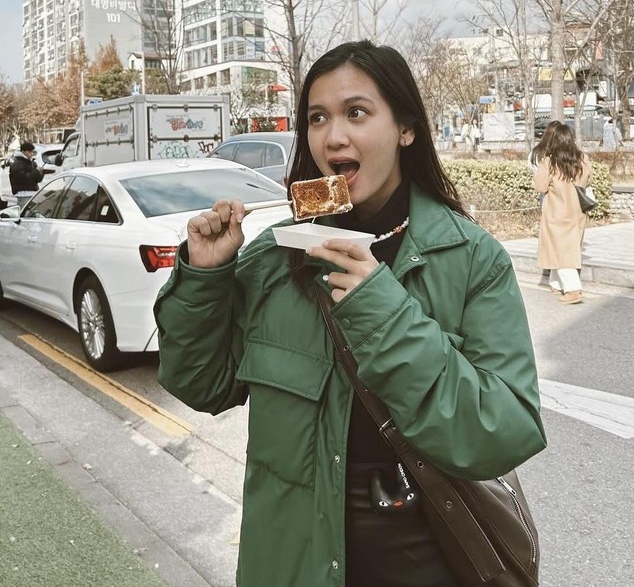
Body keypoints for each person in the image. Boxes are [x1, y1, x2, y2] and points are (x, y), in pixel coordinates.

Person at [155, 41, 546, 587]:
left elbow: (503, 433)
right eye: (317, 118)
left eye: (356, 113)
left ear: (405, 128)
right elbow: (199, 383)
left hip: (429, 559)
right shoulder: (275, 260)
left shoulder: (471, 258)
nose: (333, 136)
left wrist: (381, 308)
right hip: (293, 563)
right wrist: (206, 275)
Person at [532, 120, 592, 305]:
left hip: (557, 212)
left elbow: (540, 186)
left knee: (560, 249)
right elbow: (587, 180)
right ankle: (557, 284)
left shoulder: (549, 161)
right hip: (577, 212)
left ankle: (573, 290)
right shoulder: (582, 158)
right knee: (568, 247)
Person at [9, 141, 42, 205]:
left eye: (32, 152)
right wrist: (36, 171)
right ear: (23, 151)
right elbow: (24, 178)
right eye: (29, 152)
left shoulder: (32, 163)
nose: (31, 154)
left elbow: (38, 179)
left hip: (33, 194)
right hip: (23, 195)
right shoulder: (17, 164)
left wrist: (41, 172)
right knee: (25, 213)